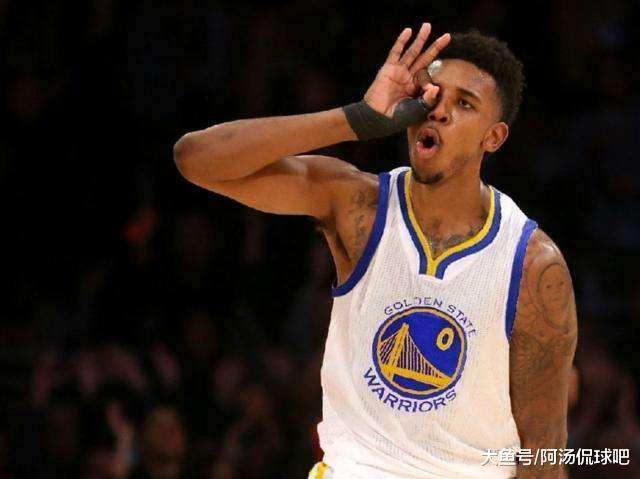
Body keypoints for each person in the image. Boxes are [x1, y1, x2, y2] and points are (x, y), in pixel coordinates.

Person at [174, 22, 577, 479]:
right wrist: (354, 119)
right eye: (430, 94)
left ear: (494, 137)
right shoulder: (358, 206)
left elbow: (544, 451)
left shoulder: (533, 265)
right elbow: (196, 159)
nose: (438, 111)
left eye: (464, 103)